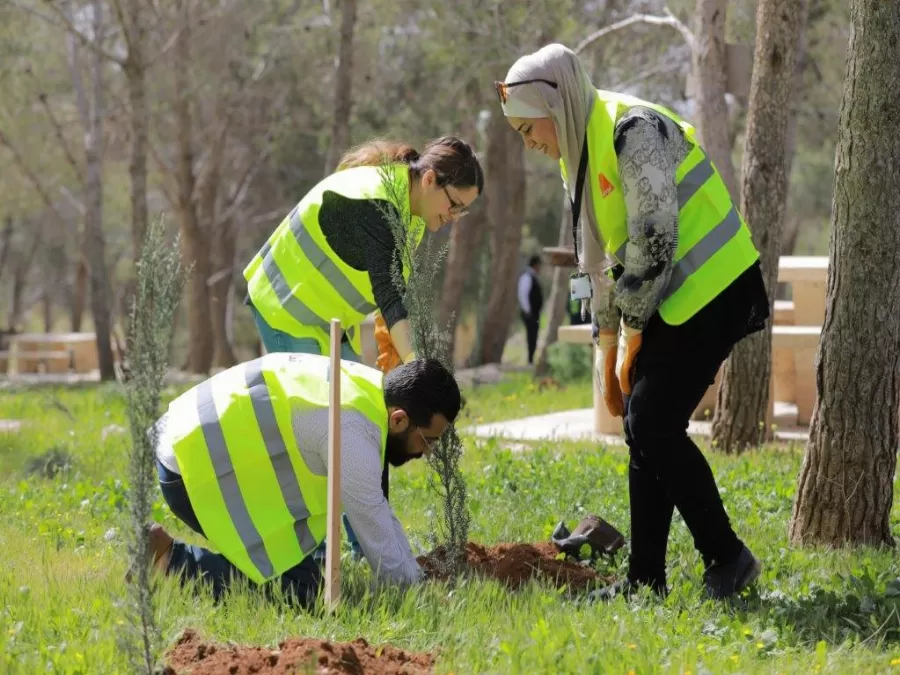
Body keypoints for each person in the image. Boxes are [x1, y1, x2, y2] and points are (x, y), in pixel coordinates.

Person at [494, 44, 770, 601]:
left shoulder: (632, 130)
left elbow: (656, 239)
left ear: (559, 104)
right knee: (643, 427)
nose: (531, 145)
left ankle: (727, 557)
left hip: (715, 288)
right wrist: (606, 345)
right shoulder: (579, 153)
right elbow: (595, 260)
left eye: (530, 129)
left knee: (651, 424)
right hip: (671, 296)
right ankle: (645, 582)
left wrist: (633, 332)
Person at [141, 354, 461, 606]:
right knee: (302, 590)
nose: (428, 452)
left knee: (312, 564)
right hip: (192, 471)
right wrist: (419, 593)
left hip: (187, 436)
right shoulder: (355, 435)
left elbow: (377, 509)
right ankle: (169, 560)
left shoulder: (367, 390)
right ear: (400, 419)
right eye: (427, 440)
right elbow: (375, 527)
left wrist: (414, 571)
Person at [242, 136, 484, 369]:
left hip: (329, 322)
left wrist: (392, 344)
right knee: (312, 409)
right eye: (454, 205)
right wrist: (415, 364)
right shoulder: (377, 203)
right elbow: (387, 291)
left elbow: (393, 284)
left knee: (352, 407)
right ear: (430, 180)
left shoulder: (413, 214)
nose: (454, 217)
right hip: (286, 309)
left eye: (462, 211)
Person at [517, 254, 544, 364]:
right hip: (530, 313)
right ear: (535, 265)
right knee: (531, 336)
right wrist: (528, 311)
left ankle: (531, 358)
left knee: (534, 335)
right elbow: (522, 294)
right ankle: (529, 360)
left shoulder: (532, 276)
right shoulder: (527, 277)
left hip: (533, 313)